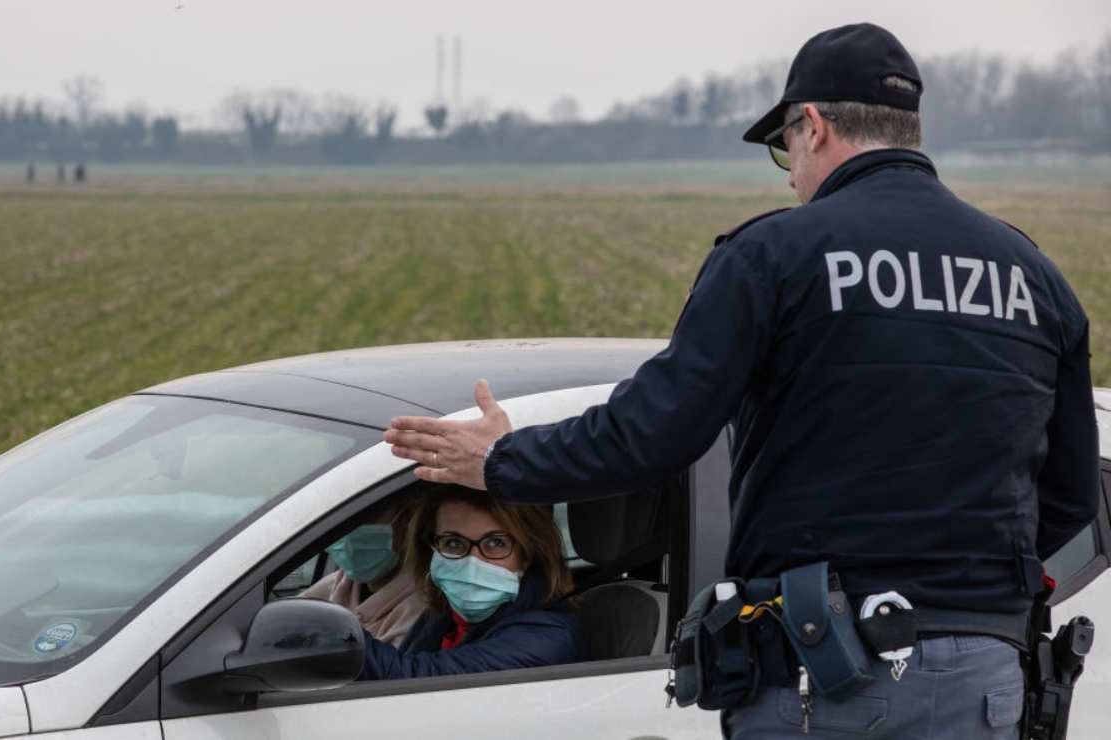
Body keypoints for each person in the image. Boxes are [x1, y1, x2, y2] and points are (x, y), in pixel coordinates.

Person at [384, 22, 1100, 739]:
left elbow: (650, 435)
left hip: (830, 676)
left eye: (783, 147)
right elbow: (1069, 493)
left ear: (812, 126)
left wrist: (502, 462)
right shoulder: (1031, 274)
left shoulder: (775, 255)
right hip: (983, 677)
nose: (789, 173)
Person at [357, 487, 579, 679]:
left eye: (496, 542)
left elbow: (410, 680)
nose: (473, 562)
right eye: (453, 543)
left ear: (527, 554)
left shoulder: (545, 638)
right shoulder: (442, 619)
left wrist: (337, 638)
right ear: (432, 551)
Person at [301, 498, 426, 646]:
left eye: (364, 516)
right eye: (336, 521)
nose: (347, 533)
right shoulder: (338, 584)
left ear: (407, 520)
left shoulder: (421, 611)